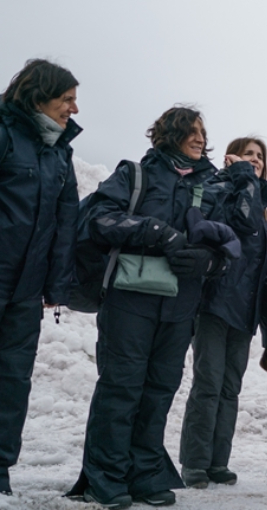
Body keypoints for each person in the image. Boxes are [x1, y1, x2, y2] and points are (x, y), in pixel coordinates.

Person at [66, 107, 255, 509]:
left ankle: (146, 472)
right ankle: (106, 476)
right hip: (129, 300)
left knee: (159, 390)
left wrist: (209, 262)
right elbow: (100, 218)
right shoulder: (135, 174)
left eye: (204, 131)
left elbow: (233, 246)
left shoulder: (214, 185)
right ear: (170, 133)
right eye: (192, 130)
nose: (201, 138)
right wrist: (156, 233)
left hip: (181, 303)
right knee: (121, 387)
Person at [179, 137, 267, 488]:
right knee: (208, 384)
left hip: (245, 310)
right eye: (248, 154)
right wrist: (244, 178)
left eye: (260, 156)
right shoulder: (220, 189)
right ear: (232, 159)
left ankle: (218, 462)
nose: (255, 160)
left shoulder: (262, 208)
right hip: (214, 304)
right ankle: (195, 463)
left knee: (230, 388)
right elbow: (241, 224)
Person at [0, 59, 80, 496]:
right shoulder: (4, 134)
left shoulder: (59, 152)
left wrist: (56, 284)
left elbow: (66, 221)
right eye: (66, 99)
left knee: (13, 378)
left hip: (26, 288)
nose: (75, 108)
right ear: (38, 96)